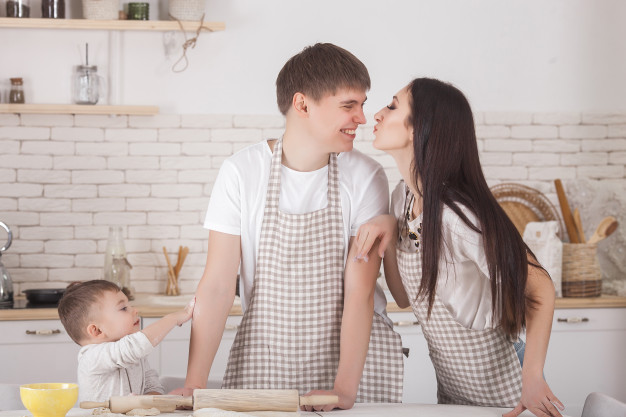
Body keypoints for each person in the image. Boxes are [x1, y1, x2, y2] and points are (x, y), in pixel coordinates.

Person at [174, 43, 404, 411]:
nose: (362, 117)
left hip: (351, 368)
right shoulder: (242, 172)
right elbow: (217, 286)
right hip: (265, 357)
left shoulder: (364, 175)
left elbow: (359, 293)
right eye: (348, 105)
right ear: (302, 104)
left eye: (363, 104)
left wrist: (342, 390)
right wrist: (193, 385)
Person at [354, 78, 565, 417]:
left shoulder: (458, 215)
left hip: (507, 390)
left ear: (418, 128)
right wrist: (391, 231)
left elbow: (540, 287)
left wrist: (534, 377)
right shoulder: (403, 198)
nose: (377, 114)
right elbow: (405, 297)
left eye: (392, 106)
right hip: (454, 391)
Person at [58, 279, 195, 402]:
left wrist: (148, 400)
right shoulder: (91, 357)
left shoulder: (132, 354)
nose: (135, 310)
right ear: (97, 331)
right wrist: (172, 319)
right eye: (123, 308)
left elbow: (151, 382)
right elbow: (134, 347)